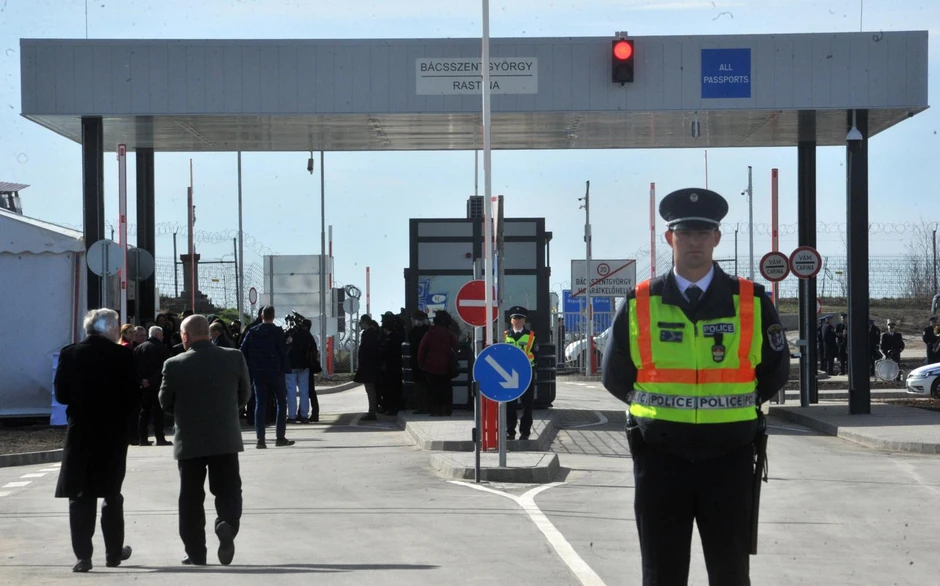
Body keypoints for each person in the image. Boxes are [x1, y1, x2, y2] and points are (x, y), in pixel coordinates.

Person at [602, 187, 789, 586]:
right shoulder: (639, 302)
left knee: (730, 572)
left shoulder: (751, 300)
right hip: (659, 458)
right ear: (670, 238)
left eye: (703, 233)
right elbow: (614, 376)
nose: (693, 242)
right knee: (661, 572)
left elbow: (775, 371)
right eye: (684, 233)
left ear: (717, 238)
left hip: (730, 457)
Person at [159, 315, 251, 566]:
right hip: (225, 438)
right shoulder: (234, 357)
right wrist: (227, 412)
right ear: (209, 334)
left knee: (190, 498)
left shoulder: (173, 364)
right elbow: (245, 395)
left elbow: (165, 403)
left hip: (189, 440)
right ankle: (226, 524)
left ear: (185, 336)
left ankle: (196, 552)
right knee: (229, 489)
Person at [54, 308, 137, 573]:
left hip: (80, 433)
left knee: (81, 494)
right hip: (112, 435)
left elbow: (62, 395)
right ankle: (113, 553)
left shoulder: (70, 354)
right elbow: (133, 398)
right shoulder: (124, 355)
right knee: (111, 493)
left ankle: (83, 557)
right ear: (110, 329)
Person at [240, 306, 294, 448]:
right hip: (276, 372)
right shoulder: (277, 332)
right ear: (273, 316)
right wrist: (286, 365)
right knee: (281, 403)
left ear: (262, 316)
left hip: (258, 373)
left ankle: (260, 440)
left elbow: (242, 350)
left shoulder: (252, 332)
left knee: (260, 404)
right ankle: (280, 437)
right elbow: (282, 351)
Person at [134, 325, 172, 446]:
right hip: (157, 385)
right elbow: (163, 367)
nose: (163, 337)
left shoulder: (138, 348)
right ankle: (160, 438)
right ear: (157, 335)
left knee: (144, 411)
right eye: (161, 334)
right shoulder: (161, 348)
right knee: (158, 412)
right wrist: (151, 380)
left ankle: (142, 438)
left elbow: (135, 367)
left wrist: (142, 380)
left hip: (143, 386)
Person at [417, 310, 459, 417]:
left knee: (433, 390)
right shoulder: (449, 334)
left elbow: (422, 349)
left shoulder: (430, 333)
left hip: (430, 367)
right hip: (446, 367)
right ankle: (446, 410)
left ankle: (435, 410)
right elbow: (456, 347)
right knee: (446, 390)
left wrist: (421, 364)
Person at [505, 306, 537, 440]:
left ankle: (525, 432)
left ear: (524, 321)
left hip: (526, 373)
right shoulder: (505, 335)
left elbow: (536, 355)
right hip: (509, 375)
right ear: (511, 320)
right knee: (509, 404)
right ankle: (510, 431)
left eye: (519, 318)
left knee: (527, 404)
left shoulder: (531, 336)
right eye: (514, 318)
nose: (517, 321)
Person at [285, 319, 317, 423]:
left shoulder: (291, 334)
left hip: (291, 366)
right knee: (304, 391)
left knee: (291, 391)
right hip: (304, 366)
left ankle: (292, 416)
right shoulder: (308, 336)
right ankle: (304, 415)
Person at [354, 315, 383, 421]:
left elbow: (366, 351)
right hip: (372, 366)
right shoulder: (373, 333)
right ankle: (372, 410)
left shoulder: (367, 334)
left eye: (361, 323)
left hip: (368, 366)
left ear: (365, 322)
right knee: (371, 389)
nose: (360, 325)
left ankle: (372, 412)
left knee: (370, 390)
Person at [408, 311, 431, 413]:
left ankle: (422, 407)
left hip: (417, 361)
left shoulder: (414, 332)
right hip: (429, 361)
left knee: (419, 385)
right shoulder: (429, 330)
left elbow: (413, 345)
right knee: (427, 384)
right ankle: (428, 406)